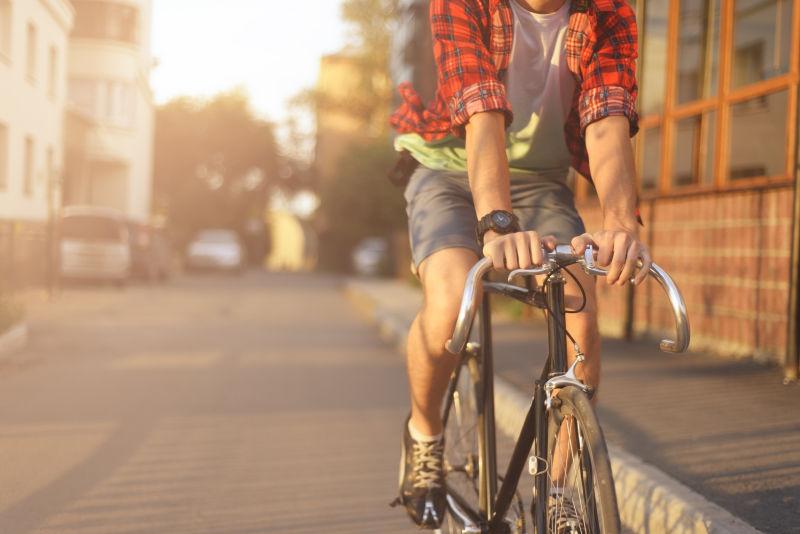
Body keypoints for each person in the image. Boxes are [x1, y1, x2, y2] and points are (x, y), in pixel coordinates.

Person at [388, 0, 651, 529]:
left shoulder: (608, 11)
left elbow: (606, 119)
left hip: (539, 178)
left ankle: (560, 498)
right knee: (448, 302)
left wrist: (622, 222)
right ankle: (423, 437)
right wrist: (498, 224)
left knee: (582, 314)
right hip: (446, 165)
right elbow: (481, 112)